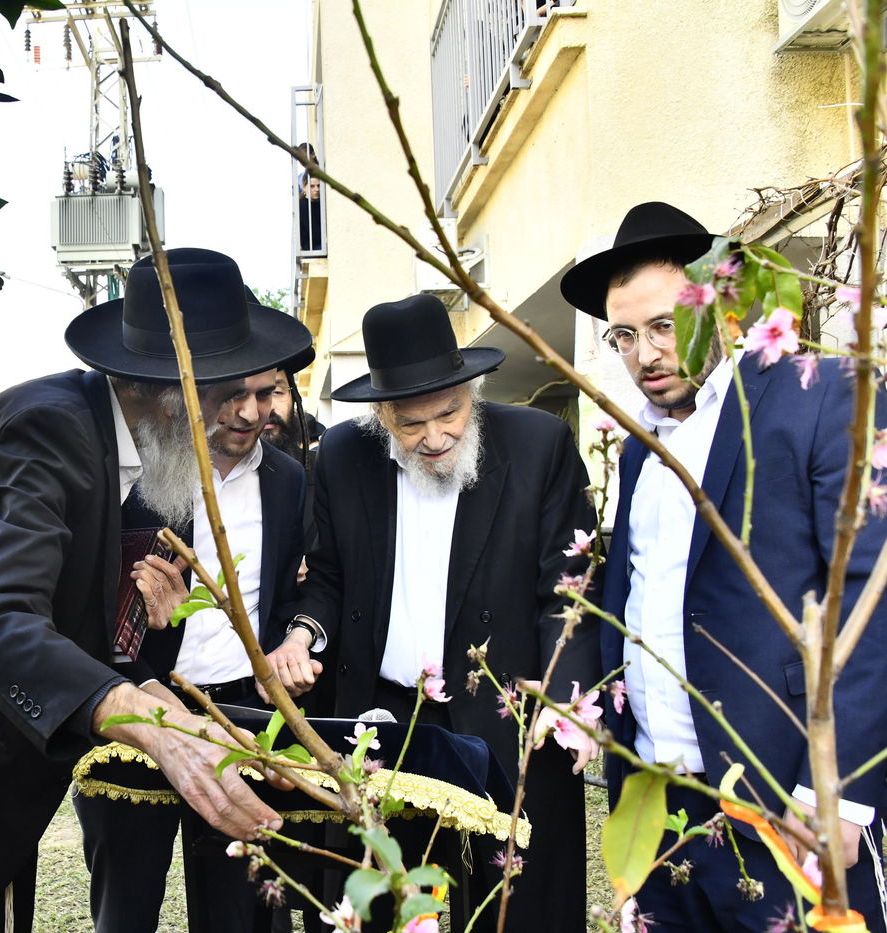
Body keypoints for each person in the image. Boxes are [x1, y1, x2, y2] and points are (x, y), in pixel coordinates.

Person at [0, 248, 316, 933]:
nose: (242, 413)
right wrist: (150, 727)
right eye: (224, 392)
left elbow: (80, 616)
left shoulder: (150, 455)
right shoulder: (48, 428)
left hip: (7, 771)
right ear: (169, 390)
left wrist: (162, 702)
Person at [560, 201, 887, 931]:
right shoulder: (640, 449)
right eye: (623, 335)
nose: (643, 353)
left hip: (784, 804)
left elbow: (871, 602)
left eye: (663, 326)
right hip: (659, 807)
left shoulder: (818, 398)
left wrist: (838, 795)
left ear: (719, 306)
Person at [264, 294, 600, 933]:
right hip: (383, 723)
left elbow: (568, 588)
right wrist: (304, 634)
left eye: (449, 413)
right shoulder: (340, 456)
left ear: (472, 390)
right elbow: (328, 578)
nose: (435, 437)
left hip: (508, 725)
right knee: (385, 905)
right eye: (410, 423)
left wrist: (568, 698)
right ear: (380, 414)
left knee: (515, 909)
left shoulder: (538, 445)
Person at [74, 362, 310, 933]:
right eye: (231, 395)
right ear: (185, 396)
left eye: (265, 393)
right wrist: (141, 616)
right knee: (125, 904)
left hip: (241, 718)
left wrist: (297, 636)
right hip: (138, 709)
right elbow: (78, 597)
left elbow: (301, 587)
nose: (250, 413)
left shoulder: (290, 479)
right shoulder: (131, 473)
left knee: (243, 905)